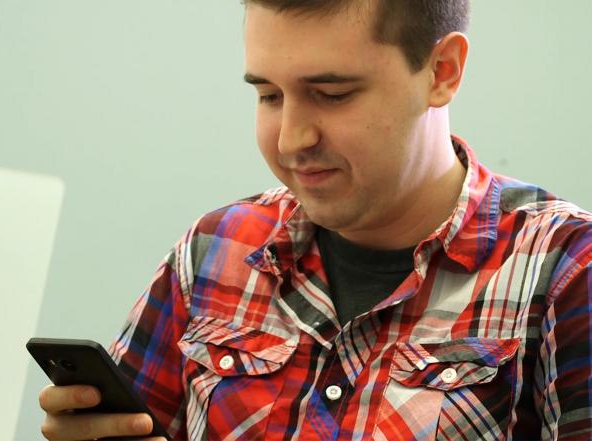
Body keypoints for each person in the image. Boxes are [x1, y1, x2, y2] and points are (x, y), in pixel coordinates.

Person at [38, 0, 592, 439]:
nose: (291, 140)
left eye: (331, 94)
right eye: (269, 95)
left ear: (442, 72)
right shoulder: (216, 248)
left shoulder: (566, 269)